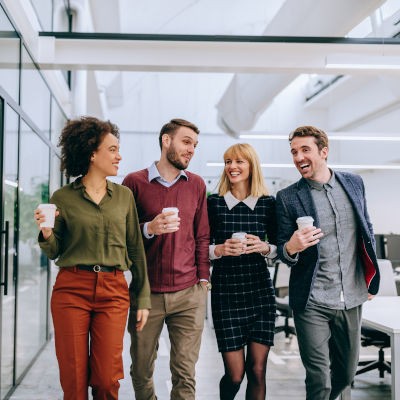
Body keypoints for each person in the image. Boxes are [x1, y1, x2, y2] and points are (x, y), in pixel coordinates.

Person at [34, 116, 151, 400]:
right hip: (71, 288)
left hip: (113, 290)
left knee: (107, 379)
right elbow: (55, 250)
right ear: (92, 153)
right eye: (112, 149)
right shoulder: (62, 197)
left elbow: (135, 248)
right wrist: (47, 232)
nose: (119, 156)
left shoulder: (123, 196)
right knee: (73, 380)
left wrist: (143, 297)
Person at [275, 125, 380, 400]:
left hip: (352, 296)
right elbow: (282, 251)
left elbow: (366, 229)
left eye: (305, 150)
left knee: (346, 375)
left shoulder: (353, 183)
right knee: (319, 378)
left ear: (323, 151)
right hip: (313, 299)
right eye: (294, 152)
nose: (298, 157)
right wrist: (292, 246)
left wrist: (371, 277)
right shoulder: (287, 198)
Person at [122, 118, 210, 400]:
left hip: (189, 293)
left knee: (185, 373)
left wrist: (203, 280)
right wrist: (149, 228)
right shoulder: (133, 183)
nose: (191, 150)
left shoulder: (196, 184)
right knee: (141, 369)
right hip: (146, 293)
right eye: (186, 142)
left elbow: (202, 236)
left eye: (195, 145)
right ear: (166, 140)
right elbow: (122, 236)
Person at [207, 143, 277, 400]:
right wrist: (220, 250)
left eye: (239, 161)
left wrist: (264, 246)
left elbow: (280, 248)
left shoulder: (268, 204)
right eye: (228, 162)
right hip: (226, 294)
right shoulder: (214, 204)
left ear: (251, 166)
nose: (232, 167)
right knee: (235, 375)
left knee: (257, 371)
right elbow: (200, 246)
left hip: (260, 293)